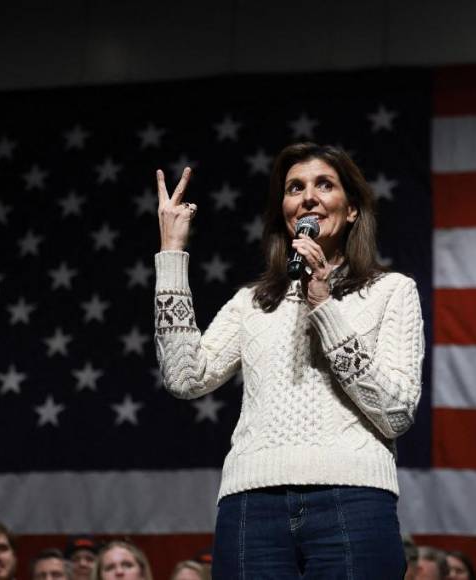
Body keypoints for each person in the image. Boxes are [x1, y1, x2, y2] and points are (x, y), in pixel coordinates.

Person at [154, 142, 424, 578]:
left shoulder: (391, 291)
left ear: (352, 209)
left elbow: (395, 413)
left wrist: (323, 303)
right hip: (251, 507)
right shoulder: (253, 302)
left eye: (324, 185)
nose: (308, 197)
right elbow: (184, 378)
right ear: (284, 209)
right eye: (295, 187)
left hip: (353, 502)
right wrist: (171, 253)